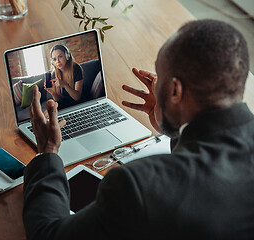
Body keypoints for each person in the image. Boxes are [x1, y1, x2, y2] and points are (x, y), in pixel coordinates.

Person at [23, 19, 254, 240]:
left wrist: (47, 152)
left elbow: (48, 234)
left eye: (159, 76)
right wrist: (172, 128)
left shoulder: (137, 186)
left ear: (175, 91)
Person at [45, 44, 84, 109]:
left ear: (67, 56)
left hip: (78, 105)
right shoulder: (54, 74)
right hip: (64, 106)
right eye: (54, 59)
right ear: (52, 62)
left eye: (60, 56)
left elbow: (77, 97)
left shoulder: (76, 69)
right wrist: (53, 93)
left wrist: (65, 85)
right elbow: (58, 99)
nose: (58, 61)